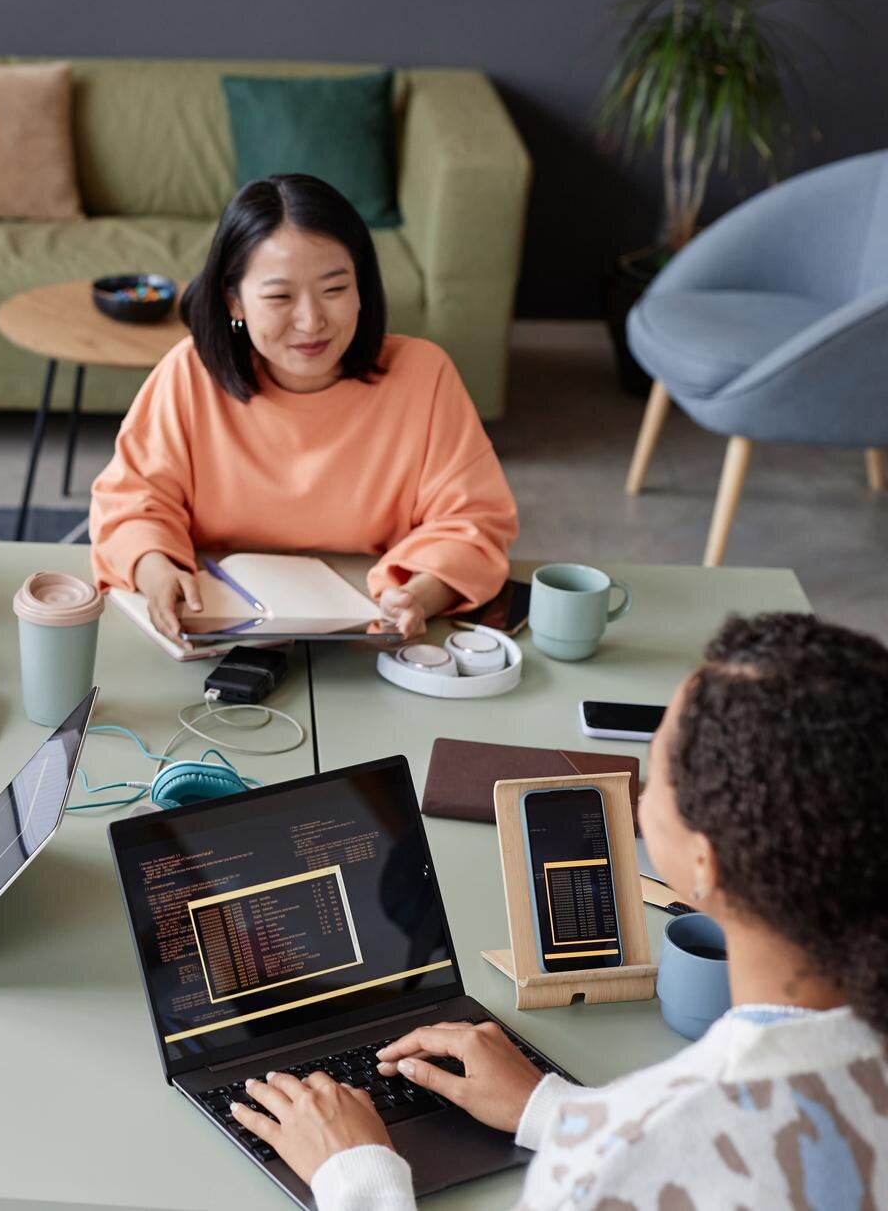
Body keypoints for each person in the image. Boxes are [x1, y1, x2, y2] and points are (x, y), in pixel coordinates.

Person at [229, 612, 888, 1209]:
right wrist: (562, 1113)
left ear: (703, 865)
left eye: (656, 776)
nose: (637, 796)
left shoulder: (608, 1169)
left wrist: (358, 1177)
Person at [88, 174, 517, 644]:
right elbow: (131, 505)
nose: (311, 321)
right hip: (213, 621)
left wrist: (421, 594)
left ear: (361, 289)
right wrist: (155, 574)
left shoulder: (424, 375)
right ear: (235, 300)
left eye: (334, 289)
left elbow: (474, 521)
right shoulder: (190, 373)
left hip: (372, 626)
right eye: (279, 297)